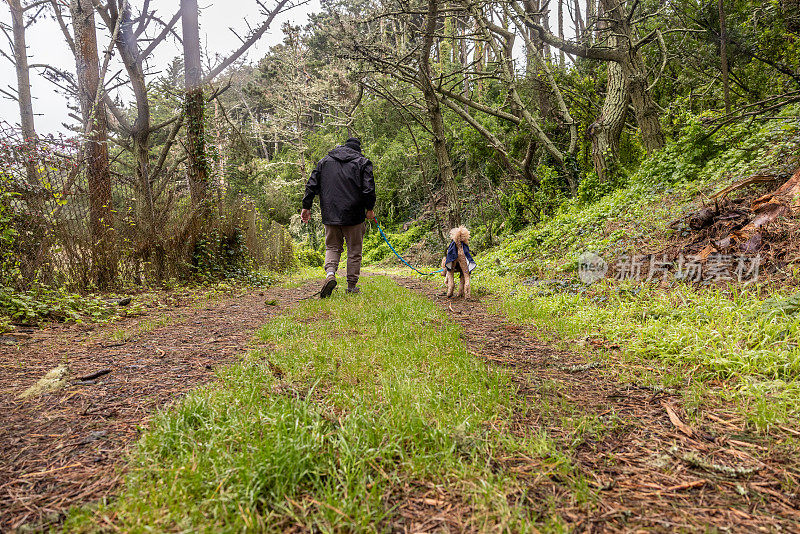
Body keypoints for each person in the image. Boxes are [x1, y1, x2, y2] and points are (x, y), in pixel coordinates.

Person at [301, 137, 376, 297]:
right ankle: (351, 286)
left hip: (330, 213)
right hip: (354, 214)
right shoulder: (363, 162)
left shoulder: (324, 161)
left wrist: (306, 206)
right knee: (354, 250)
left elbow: (311, 184)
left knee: (332, 247)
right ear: (358, 149)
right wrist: (369, 208)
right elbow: (368, 189)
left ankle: (330, 275)